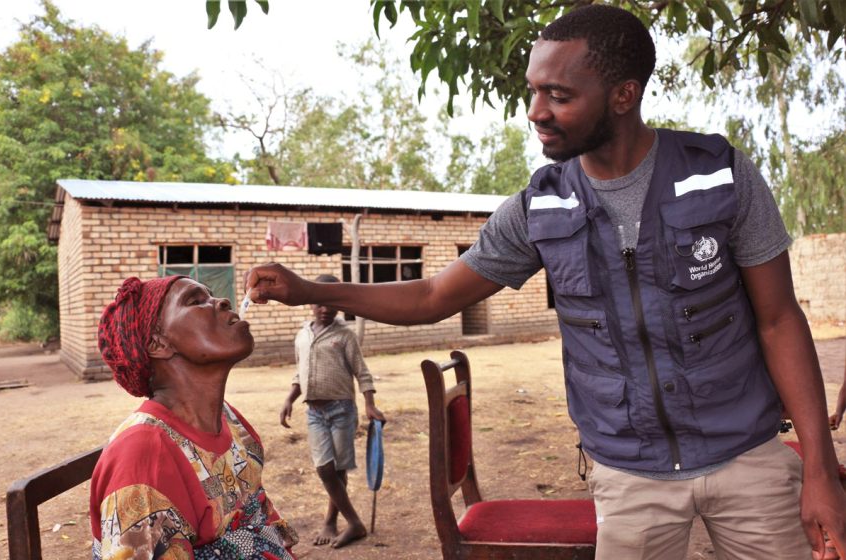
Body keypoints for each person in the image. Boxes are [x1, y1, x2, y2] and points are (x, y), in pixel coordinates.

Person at [244, 5, 846, 559]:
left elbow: (778, 319)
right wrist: (312, 290)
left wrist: (819, 468)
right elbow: (431, 297)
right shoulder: (539, 208)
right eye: (533, 91)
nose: (535, 112)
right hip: (629, 475)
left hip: (748, 460)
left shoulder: (720, 177)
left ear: (622, 95)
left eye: (557, 95)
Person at [90, 275, 298, 560]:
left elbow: (258, 516)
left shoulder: (228, 419)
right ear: (157, 344)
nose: (222, 301)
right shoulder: (143, 457)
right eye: (195, 301)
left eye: (211, 296)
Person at [279, 274, 386, 549]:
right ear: (310, 303)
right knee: (323, 467)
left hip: (342, 410)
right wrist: (290, 398)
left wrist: (370, 404)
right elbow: (299, 371)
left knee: (337, 469)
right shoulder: (302, 334)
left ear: (338, 305)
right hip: (314, 412)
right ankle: (355, 522)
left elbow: (362, 372)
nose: (325, 309)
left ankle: (332, 520)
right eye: (319, 303)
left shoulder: (345, 335)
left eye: (331, 303)